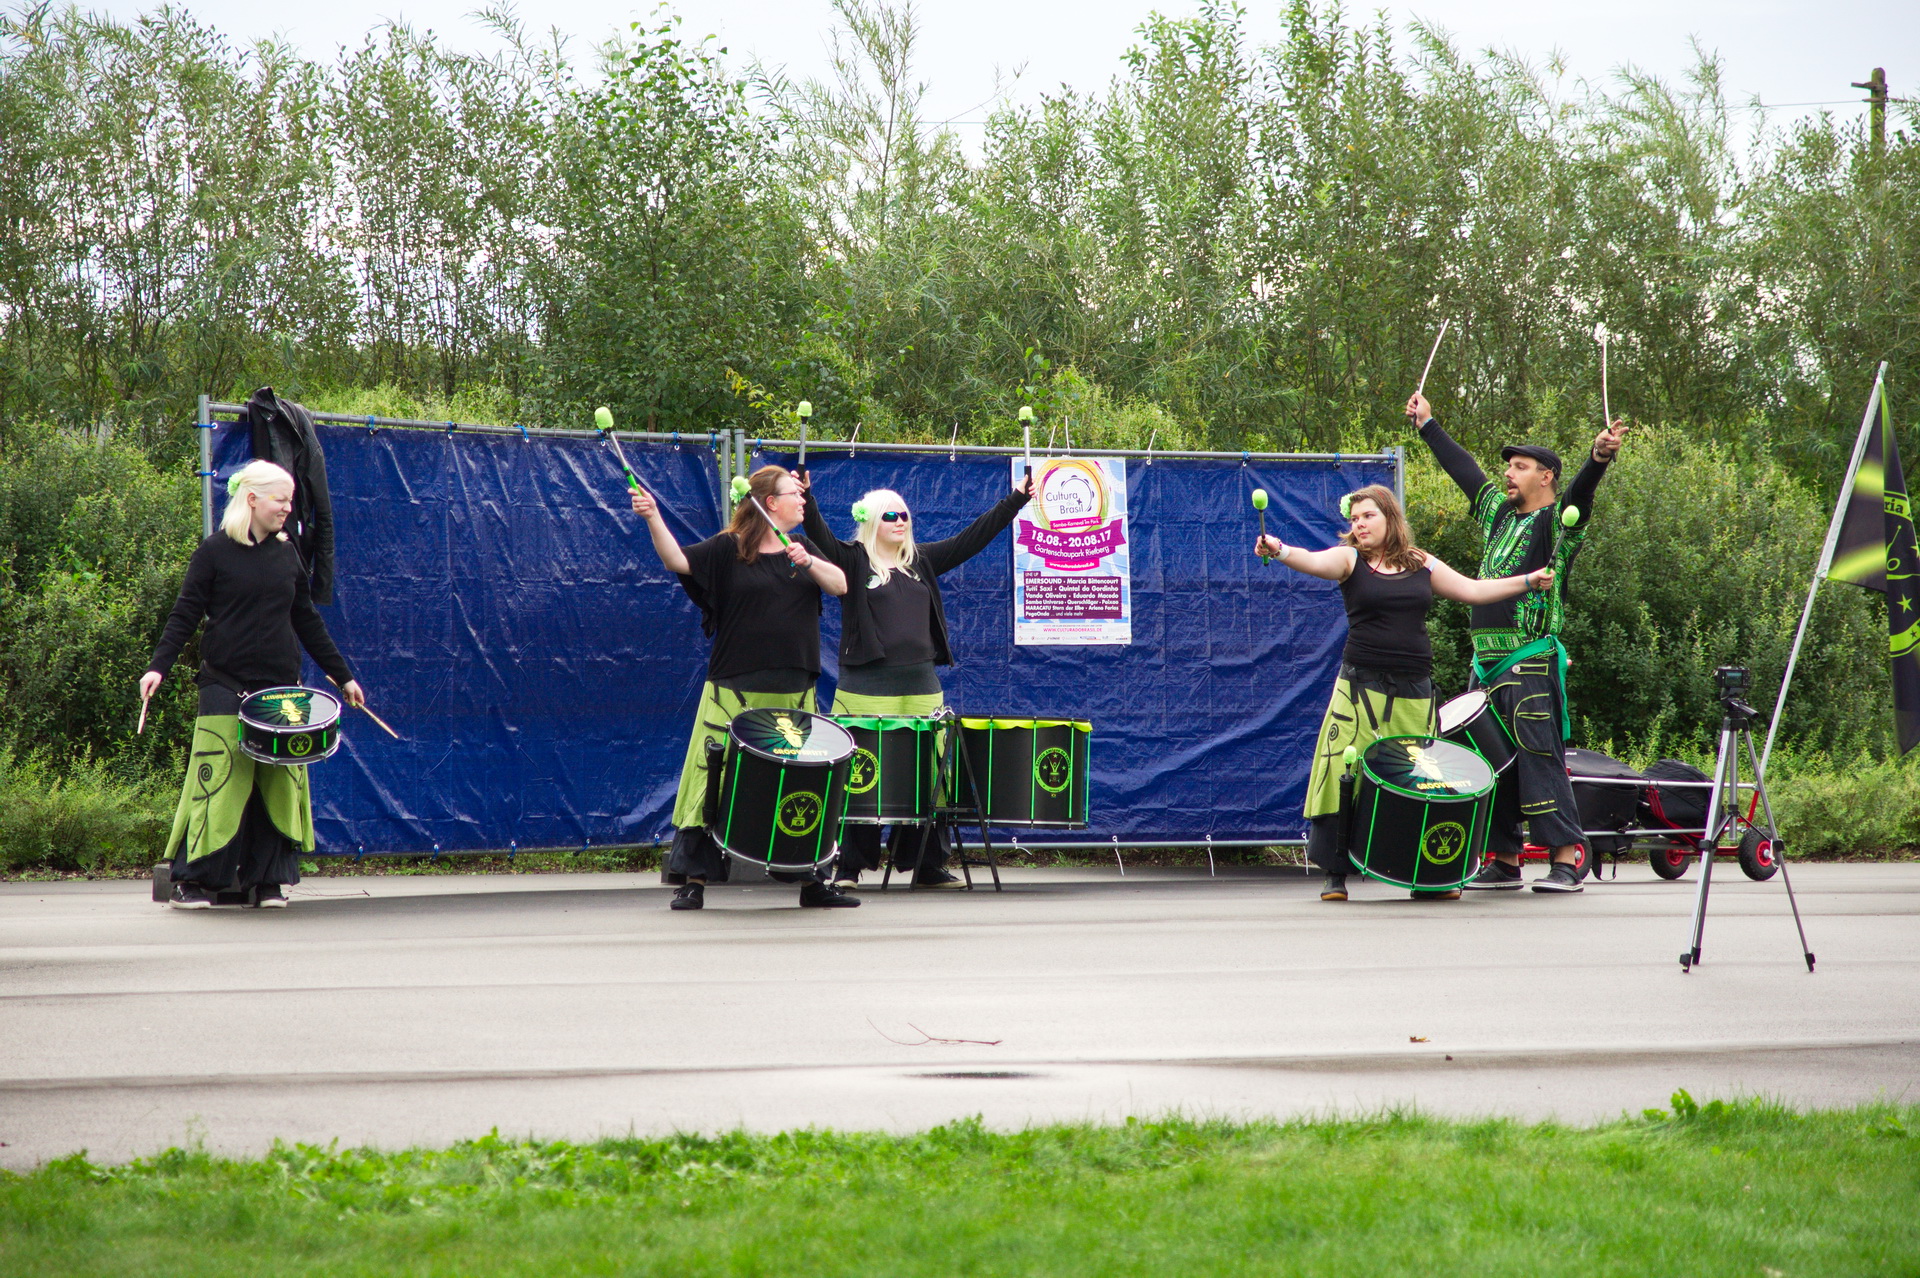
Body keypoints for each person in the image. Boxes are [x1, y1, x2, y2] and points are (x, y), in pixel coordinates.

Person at [1256, 485, 1552, 901]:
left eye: (1368, 516)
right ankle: (1335, 874)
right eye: (1354, 519)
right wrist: (1280, 549)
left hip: (1415, 691)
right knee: (1342, 774)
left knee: (1420, 781)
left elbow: (1472, 590)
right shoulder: (1350, 559)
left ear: (1389, 517)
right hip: (1360, 689)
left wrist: (1527, 580)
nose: (1359, 524)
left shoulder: (1420, 562)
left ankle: (1425, 875)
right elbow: (1313, 560)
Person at [1407, 391, 1630, 893]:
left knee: (1538, 757)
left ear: (1546, 476)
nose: (1508, 473)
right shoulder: (1499, 516)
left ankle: (1568, 858)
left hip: (1528, 661)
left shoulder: (1558, 523)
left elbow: (1581, 496)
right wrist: (1427, 424)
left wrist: (1597, 458)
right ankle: (1506, 860)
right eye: (1508, 466)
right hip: (1484, 665)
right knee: (1488, 763)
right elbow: (1464, 471)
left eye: (1520, 466)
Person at [140, 460, 365, 909]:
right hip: (224, 686)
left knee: (278, 786)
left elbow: (306, 620)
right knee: (219, 782)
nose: (287, 508)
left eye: (290, 500)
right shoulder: (214, 552)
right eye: (281, 499)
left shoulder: (287, 554)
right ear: (252, 499)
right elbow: (185, 613)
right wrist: (157, 667)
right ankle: (194, 881)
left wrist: (344, 676)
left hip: (281, 692)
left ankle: (268, 882)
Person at [631, 464, 854, 910]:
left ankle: (811, 882)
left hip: (794, 689)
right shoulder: (726, 548)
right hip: (735, 687)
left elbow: (841, 585)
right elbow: (677, 561)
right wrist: (653, 516)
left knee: (801, 782)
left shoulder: (801, 547)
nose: (803, 499)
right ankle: (694, 880)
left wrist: (809, 561)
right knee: (710, 777)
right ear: (770, 502)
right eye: (794, 494)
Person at [800, 473, 1033, 887]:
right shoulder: (852, 559)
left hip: (923, 687)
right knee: (863, 776)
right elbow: (819, 535)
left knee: (929, 778)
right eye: (890, 515)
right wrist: (808, 499)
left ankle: (926, 864)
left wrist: (1014, 500)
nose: (900, 521)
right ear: (871, 521)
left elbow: (972, 539)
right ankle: (850, 866)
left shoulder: (920, 561)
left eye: (904, 514)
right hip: (865, 689)